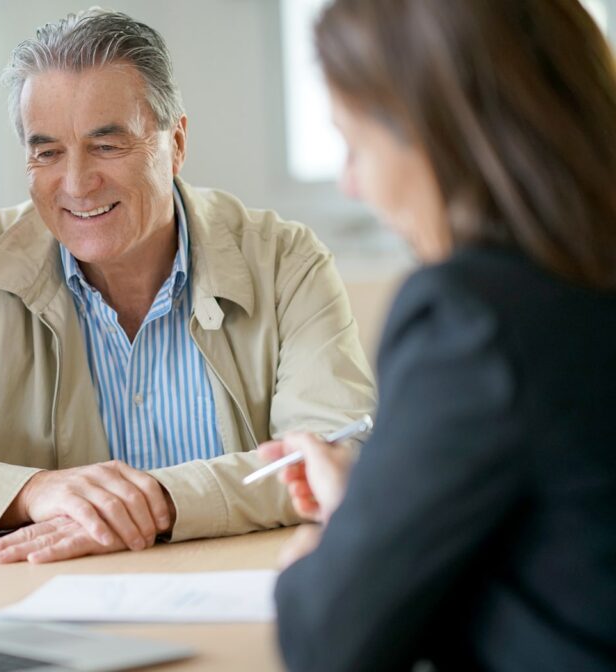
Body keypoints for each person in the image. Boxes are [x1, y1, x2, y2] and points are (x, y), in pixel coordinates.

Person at [0, 9, 375, 564]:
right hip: (53, 606)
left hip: (255, 594)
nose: (78, 183)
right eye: (48, 151)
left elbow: (339, 454)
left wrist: (159, 502)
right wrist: (29, 494)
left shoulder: (286, 263)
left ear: (175, 142)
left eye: (108, 145)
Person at [260, 1, 616, 669]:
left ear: (434, 133)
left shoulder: (470, 317)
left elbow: (330, 640)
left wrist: (328, 559)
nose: (349, 182)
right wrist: (382, 498)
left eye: (355, 144)